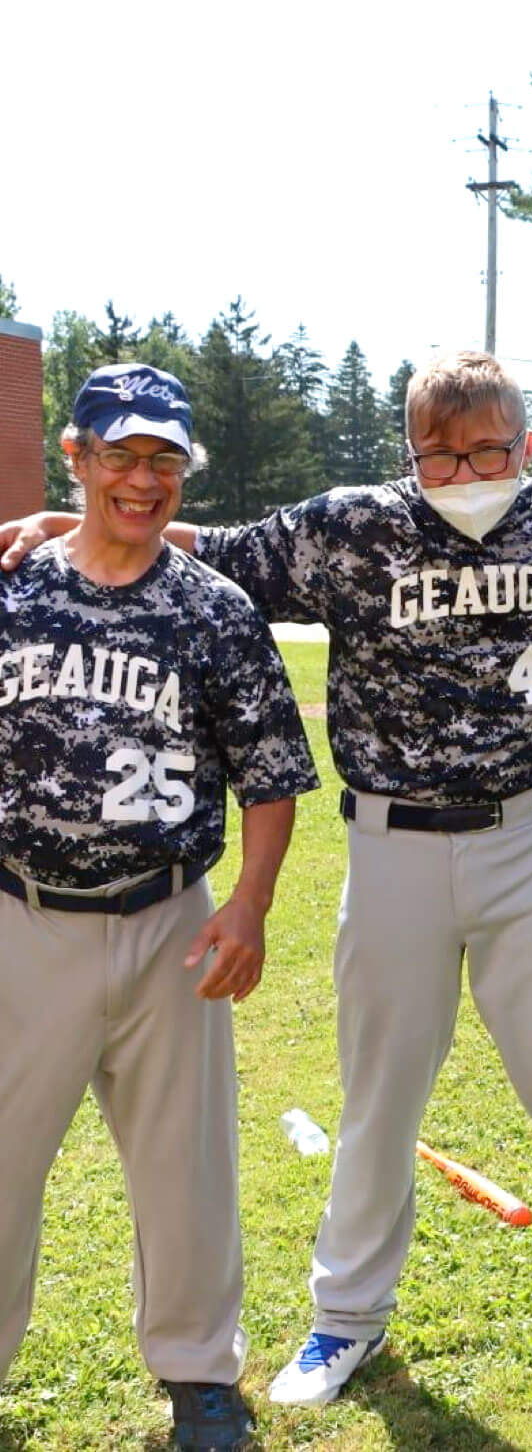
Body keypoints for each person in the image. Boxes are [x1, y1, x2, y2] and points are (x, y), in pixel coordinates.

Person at [0, 351, 532, 1404]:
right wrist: (70, 530)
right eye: (440, 454)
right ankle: (345, 1318)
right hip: (390, 838)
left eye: (487, 448)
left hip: (530, 837)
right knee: (378, 1101)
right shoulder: (358, 523)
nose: (466, 469)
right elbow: (214, 547)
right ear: (408, 456)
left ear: (528, 444)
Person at [0, 365, 318, 1450]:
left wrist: (251, 908)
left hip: (170, 918)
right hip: (21, 915)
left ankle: (199, 1375)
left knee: (187, 1169)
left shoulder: (214, 608)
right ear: (77, 458)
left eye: (164, 459)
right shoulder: (11, 590)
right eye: (121, 455)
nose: (143, 480)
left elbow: (273, 773)